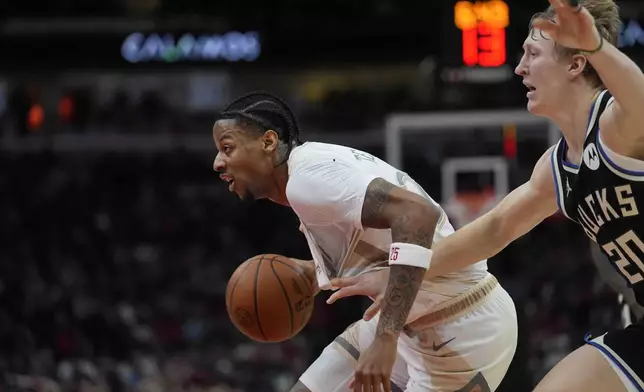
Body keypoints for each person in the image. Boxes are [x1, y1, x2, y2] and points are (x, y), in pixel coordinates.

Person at [328, 0, 644, 390]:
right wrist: (399, 275)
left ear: (576, 64)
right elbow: (495, 228)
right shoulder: (556, 167)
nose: (519, 67)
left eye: (532, 53)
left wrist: (596, 44)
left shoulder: (617, 125)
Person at [212, 92, 518, 392]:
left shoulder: (308, 180)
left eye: (227, 148)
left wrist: (386, 337)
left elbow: (417, 214)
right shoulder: (308, 174)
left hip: (463, 331)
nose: (217, 162)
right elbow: (379, 248)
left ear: (268, 142)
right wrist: (312, 274)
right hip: (413, 324)